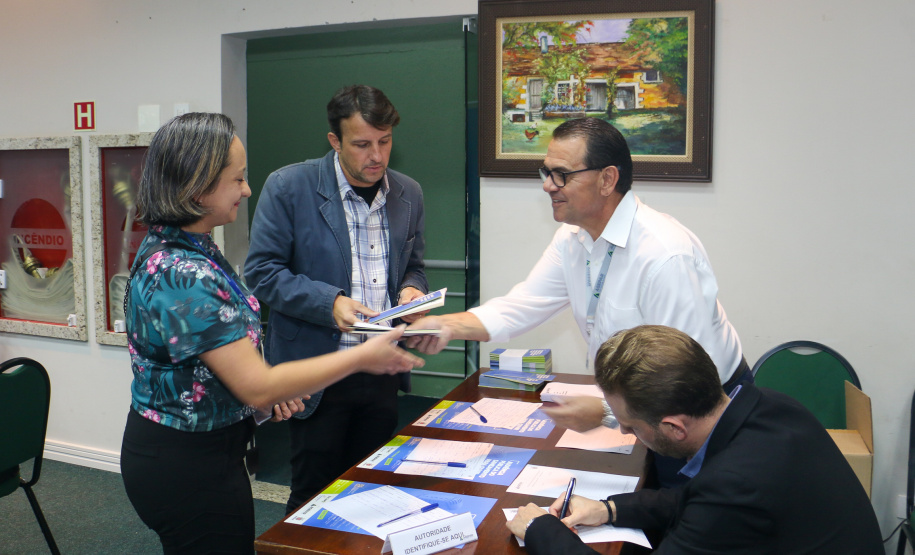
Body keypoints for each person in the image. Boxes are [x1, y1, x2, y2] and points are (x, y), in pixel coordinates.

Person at [120, 112, 423, 554]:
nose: (246, 190)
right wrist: (362, 355)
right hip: (187, 462)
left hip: (210, 449)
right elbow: (257, 385)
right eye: (237, 179)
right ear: (197, 188)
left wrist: (260, 393)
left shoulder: (192, 246)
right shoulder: (182, 270)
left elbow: (217, 358)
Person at [407, 118, 747, 476]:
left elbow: (682, 376)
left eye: (561, 175)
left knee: (684, 507)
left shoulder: (664, 255)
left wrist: (605, 411)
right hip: (646, 413)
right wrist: (446, 325)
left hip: (700, 416)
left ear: (607, 179)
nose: (547, 186)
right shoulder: (573, 237)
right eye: (546, 172)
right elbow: (520, 307)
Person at [506, 325, 883, 555]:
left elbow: (714, 498)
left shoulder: (733, 484)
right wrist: (610, 509)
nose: (624, 432)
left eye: (631, 426)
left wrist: (541, 531)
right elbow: (692, 497)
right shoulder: (769, 405)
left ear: (674, 427)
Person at [245, 85, 428, 514]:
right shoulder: (289, 186)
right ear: (335, 141)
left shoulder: (408, 193)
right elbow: (262, 272)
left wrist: (412, 290)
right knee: (313, 497)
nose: (377, 156)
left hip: (380, 367)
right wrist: (330, 303)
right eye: (362, 144)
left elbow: (414, 266)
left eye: (385, 141)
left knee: (372, 491)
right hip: (317, 371)